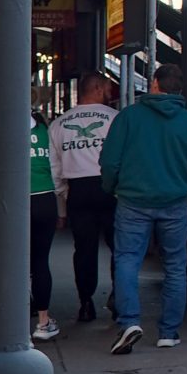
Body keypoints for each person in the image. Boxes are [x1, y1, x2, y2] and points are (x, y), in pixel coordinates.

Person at [101, 63, 187, 355]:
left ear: (154, 84)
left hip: (132, 202)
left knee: (127, 260)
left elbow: (109, 161)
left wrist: (112, 187)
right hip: (174, 204)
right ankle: (168, 332)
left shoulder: (128, 118)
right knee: (175, 267)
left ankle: (128, 322)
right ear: (178, 88)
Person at [55, 73, 120, 323]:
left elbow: (55, 171)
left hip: (77, 190)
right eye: (107, 89)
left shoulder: (59, 124)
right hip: (110, 189)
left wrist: (62, 205)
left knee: (83, 250)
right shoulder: (114, 119)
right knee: (120, 247)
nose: (110, 95)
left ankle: (85, 303)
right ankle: (118, 296)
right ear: (96, 88)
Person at [29, 112, 60, 342]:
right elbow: (55, 168)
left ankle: (11, 324)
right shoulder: (44, 131)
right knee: (40, 262)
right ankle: (42, 321)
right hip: (45, 198)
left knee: (12, 264)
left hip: (12, 202)